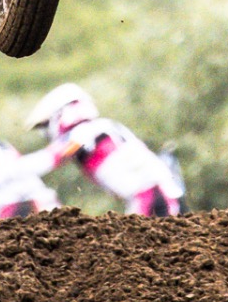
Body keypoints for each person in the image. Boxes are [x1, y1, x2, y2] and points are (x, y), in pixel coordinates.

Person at [17, 84, 183, 217]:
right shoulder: (103, 127)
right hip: (157, 194)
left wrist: (10, 169)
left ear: (62, 112)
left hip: (150, 196)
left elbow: (50, 158)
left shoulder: (84, 131)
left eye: (46, 124)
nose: (46, 131)